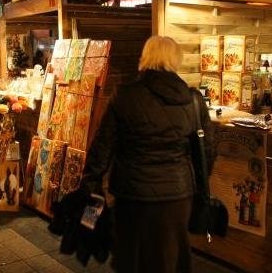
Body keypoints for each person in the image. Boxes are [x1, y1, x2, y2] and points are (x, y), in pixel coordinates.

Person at [82, 36, 215, 273]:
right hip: (177, 196)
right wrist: (191, 184)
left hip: (132, 195)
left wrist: (92, 185)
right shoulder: (194, 100)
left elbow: (102, 148)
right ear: (176, 60)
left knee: (133, 257)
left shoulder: (124, 96)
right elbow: (207, 152)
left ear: (145, 58)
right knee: (170, 257)